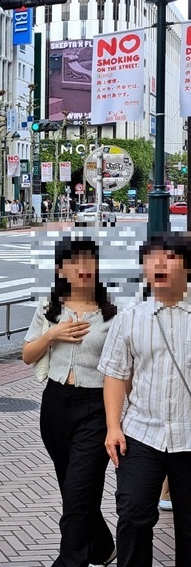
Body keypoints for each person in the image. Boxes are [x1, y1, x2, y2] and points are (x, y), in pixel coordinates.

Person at [22, 237, 118, 567]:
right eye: (75, 262)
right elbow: (26, 355)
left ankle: (70, 561)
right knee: (73, 487)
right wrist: (52, 335)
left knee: (78, 492)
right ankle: (103, 546)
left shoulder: (112, 314)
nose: (83, 269)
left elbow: (122, 369)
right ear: (62, 268)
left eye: (89, 261)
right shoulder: (51, 308)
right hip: (55, 405)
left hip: (96, 407)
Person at [98, 232, 191, 567]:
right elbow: (115, 374)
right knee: (134, 517)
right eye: (152, 258)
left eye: (169, 257)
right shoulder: (131, 318)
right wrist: (113, 427)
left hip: (189, 437)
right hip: (141, 435)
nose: (159, 264)